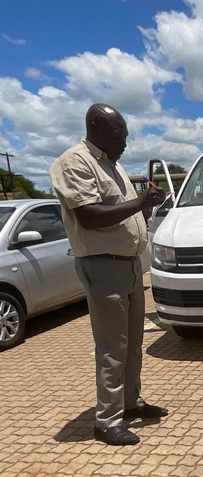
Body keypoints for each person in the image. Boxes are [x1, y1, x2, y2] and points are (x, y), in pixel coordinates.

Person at [50, 104, 168, 446]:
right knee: (112, 347)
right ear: (95, 129)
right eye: (119, 136)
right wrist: (137, 202)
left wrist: (145, 207)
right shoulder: (75, 162)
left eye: (126, 136)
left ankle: (130, 402)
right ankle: (107, 421)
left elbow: (125, 214)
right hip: (103, 265)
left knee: (132, 344)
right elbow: (90, 215)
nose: (125, 143)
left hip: (129, 264)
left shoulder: (113, 166)